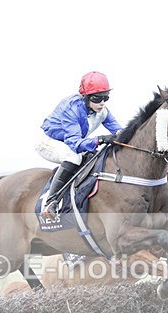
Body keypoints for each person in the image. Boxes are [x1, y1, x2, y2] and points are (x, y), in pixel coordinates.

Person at [36, 71, 123, 221]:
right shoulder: (71, 108)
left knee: (95, 156)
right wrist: (100, 139)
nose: (102, 103)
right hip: (49, 143)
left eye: (105, 97)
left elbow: (120, 132)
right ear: (86, 97)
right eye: (97, 98)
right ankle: (51, 203)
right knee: (74, 156)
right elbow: (75, 144)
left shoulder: (102, 111)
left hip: (71, 142)